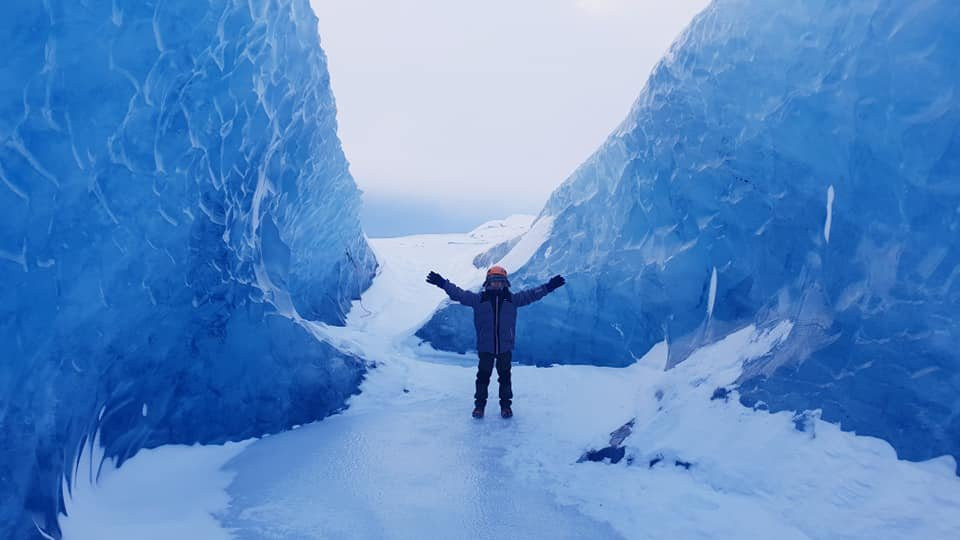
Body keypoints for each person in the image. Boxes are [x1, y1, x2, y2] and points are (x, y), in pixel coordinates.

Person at [425, 266, 566, 419]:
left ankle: (506, 407)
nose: (497, 284)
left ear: (505, 283)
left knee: (505, 378)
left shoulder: (512, 299)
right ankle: (479, 407)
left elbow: (532, 295)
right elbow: (459, 294)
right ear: (488, 283)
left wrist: (549, 286)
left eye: (500, 281)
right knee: (483, 378)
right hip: (486, 347)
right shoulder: (479, 300)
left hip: (505, 347)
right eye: (494, 281)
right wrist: (442, 283)